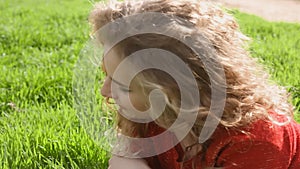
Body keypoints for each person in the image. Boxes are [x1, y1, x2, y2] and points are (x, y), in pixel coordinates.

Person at [88, 0, 300, 168]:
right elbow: (126, 149)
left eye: (125, 87)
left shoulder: (253, 140)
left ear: (178, 91)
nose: (104, 91)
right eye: (107, 76)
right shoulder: (151, 116)